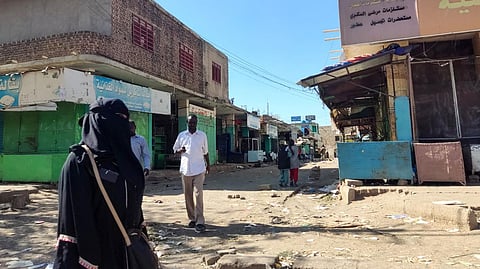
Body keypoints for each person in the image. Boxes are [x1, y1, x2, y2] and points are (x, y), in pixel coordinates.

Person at [54, 98, 149, 269]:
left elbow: (134, 207)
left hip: (128, 255)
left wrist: (142, 244)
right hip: (97, 259)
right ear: (99, 123)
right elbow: (72, 223)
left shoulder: (126, 162)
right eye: (118, 118)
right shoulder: (79, 162)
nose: (122, 125)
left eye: (125, 119)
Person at [172, 114, 210, 233]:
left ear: (196, 123)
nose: (192, 124)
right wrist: (180, 150)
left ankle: (200, 221)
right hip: (186, 169)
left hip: (199, 169)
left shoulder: (202, 135)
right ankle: (192, 218)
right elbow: (174, 150)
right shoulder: (182, 135)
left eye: (194, 123)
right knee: (188, 195)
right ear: (187, 123)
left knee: (198, 194)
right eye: (190, 123)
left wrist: (208, 165)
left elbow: (206, 152)